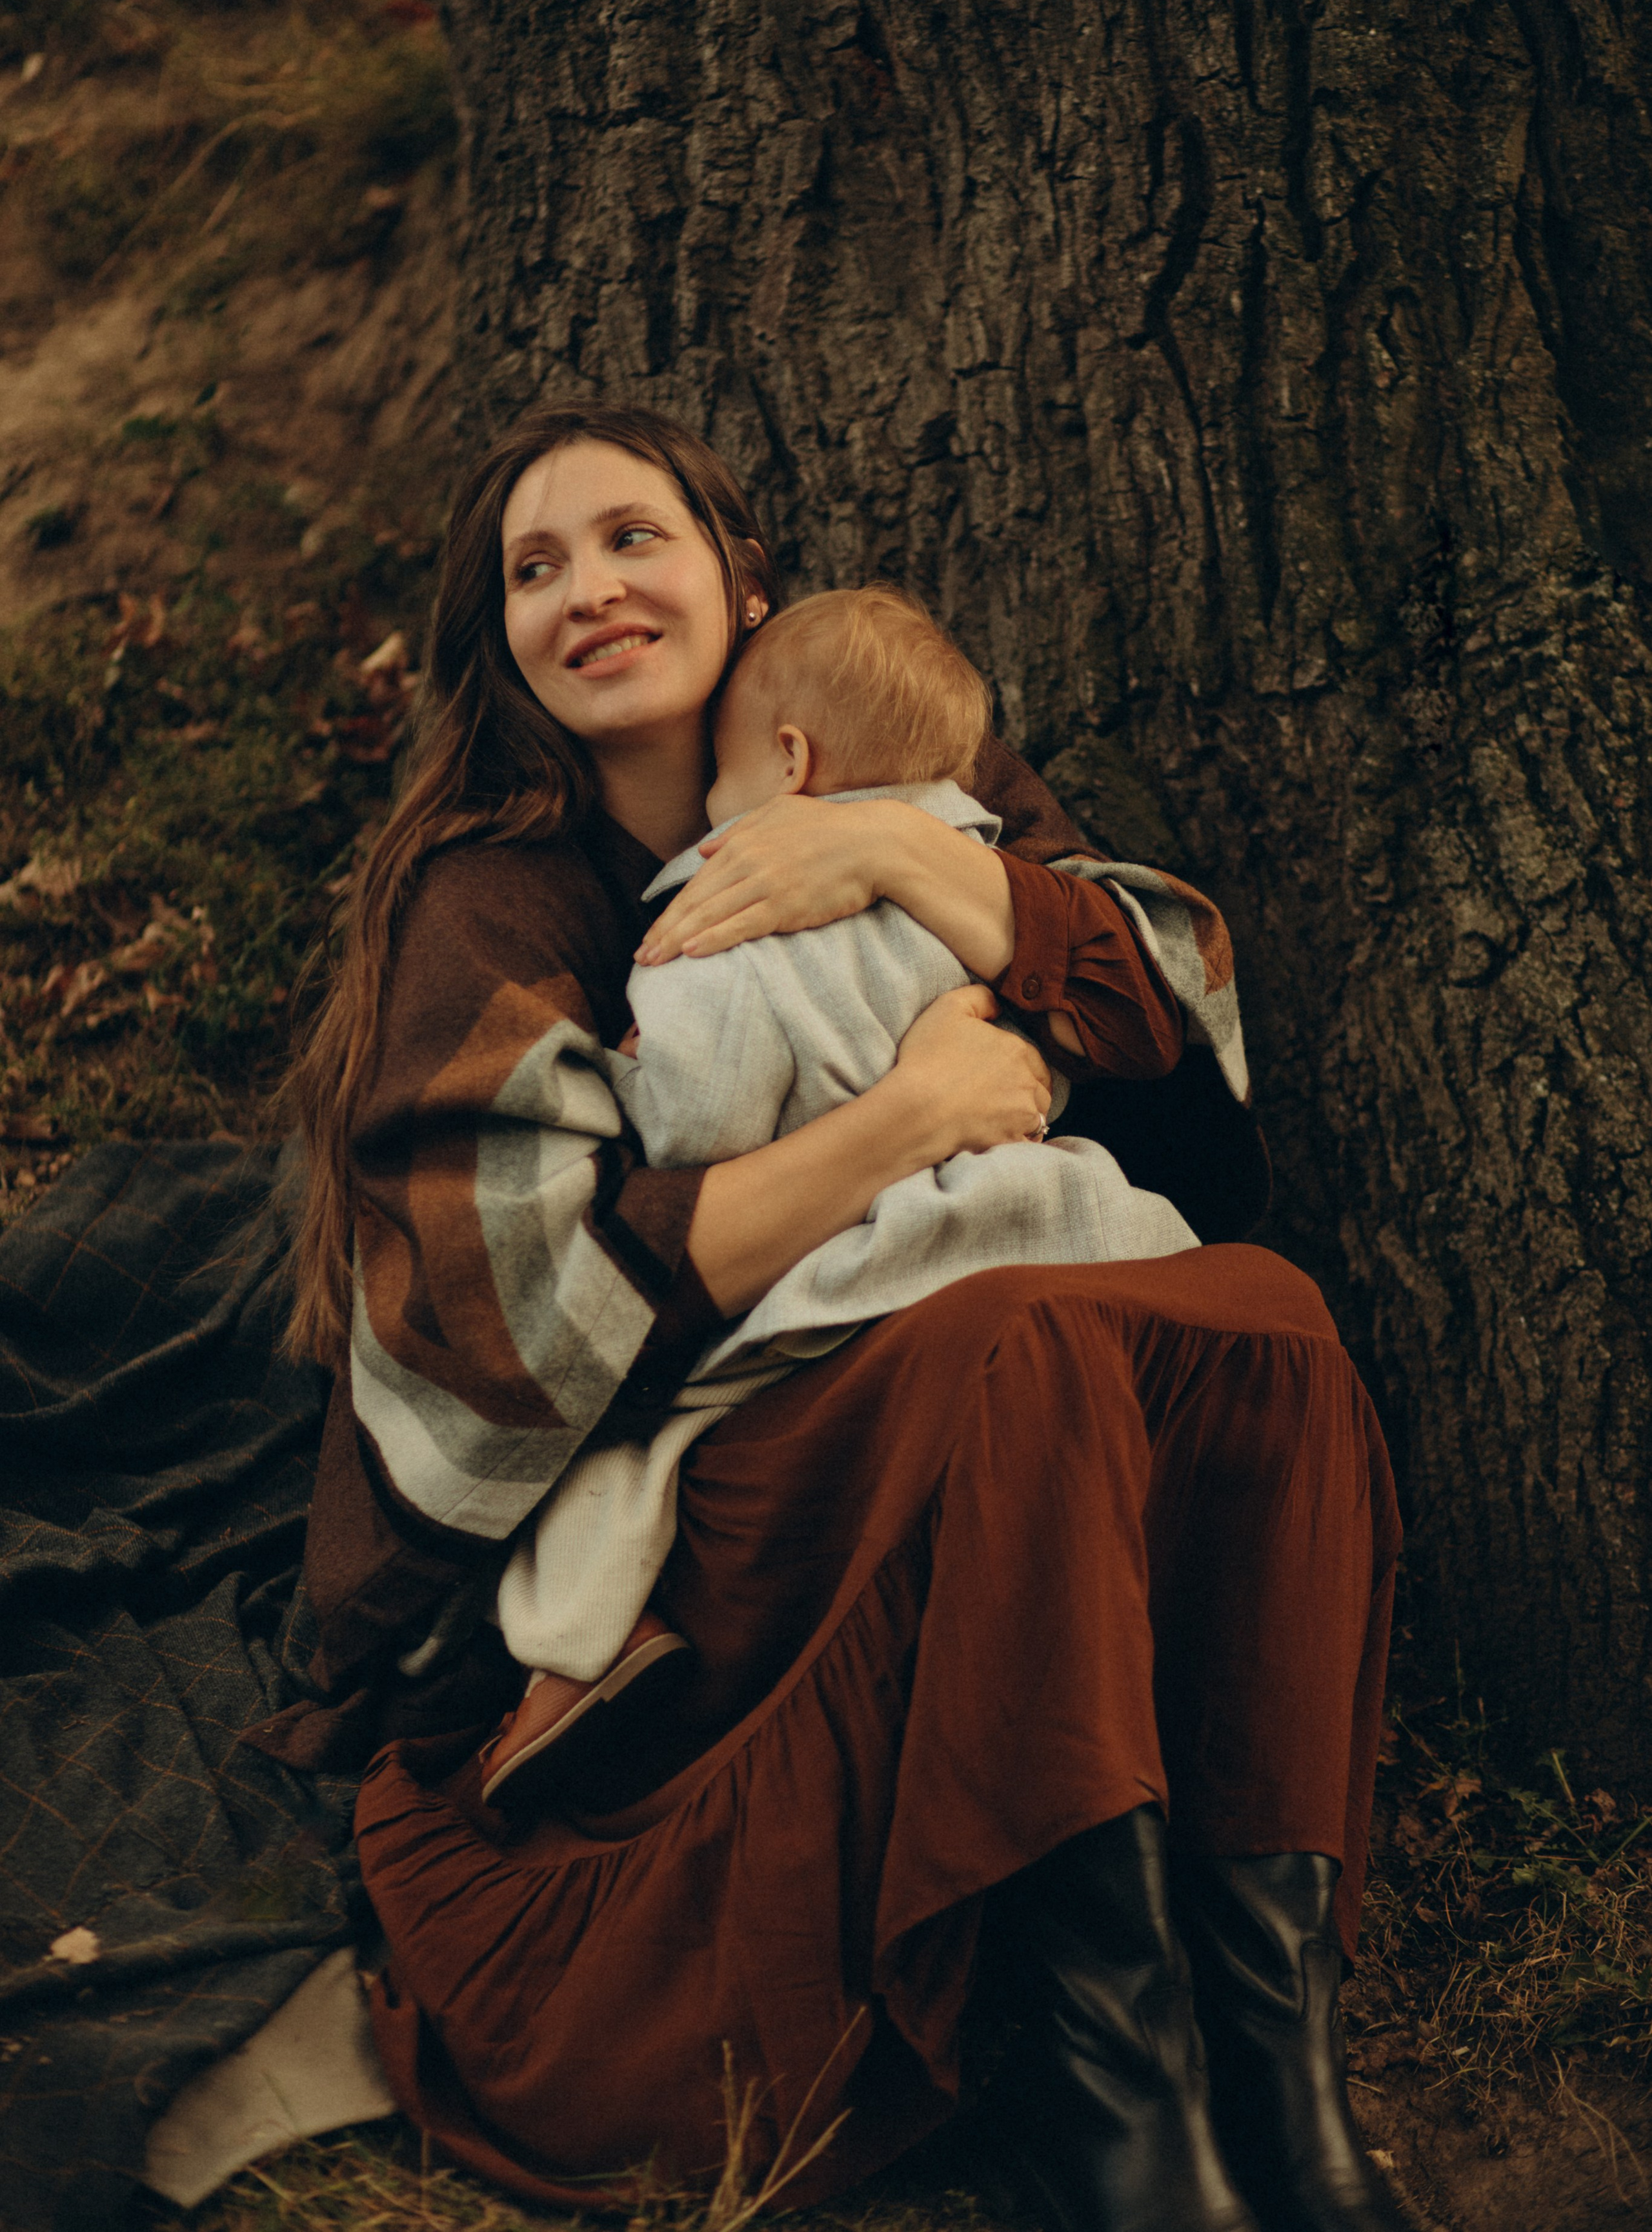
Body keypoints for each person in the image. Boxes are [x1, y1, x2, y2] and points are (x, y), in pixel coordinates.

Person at [272, 399, 1406, 2232]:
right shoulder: (493, 900)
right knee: (1023, 1352)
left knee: (1265, 1315)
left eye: (632, 537)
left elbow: (1172, 1003)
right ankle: (1113, 2109)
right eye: (535, 569)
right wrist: (908, 1121)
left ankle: (1282, 2077)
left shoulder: (903, 766)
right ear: (506, 647)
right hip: (710, 1516)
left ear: (740, 579)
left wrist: (889, 862)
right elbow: (500, 1330)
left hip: (965, 1389)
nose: (591, 591)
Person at [481, 585, 1202, 1809]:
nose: (712, 807)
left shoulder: (729, 914)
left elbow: (699, 1133)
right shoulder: (980, 885)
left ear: (789, 763)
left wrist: (636, 1074)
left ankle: (577, 1654)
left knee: (633, 1436)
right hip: (1062, 1222)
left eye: (722, 773)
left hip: (871, 1267)